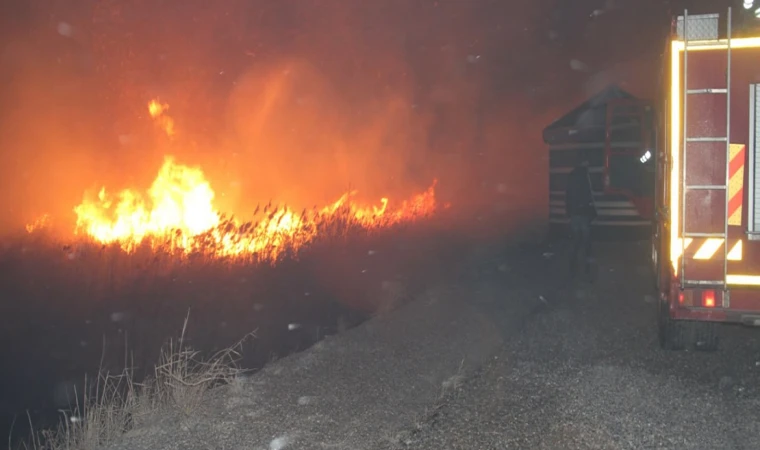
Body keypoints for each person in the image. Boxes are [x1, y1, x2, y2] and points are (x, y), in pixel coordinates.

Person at [565, 155, 598, 280]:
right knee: (586, 240)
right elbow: (589, 195)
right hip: (584, 213)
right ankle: (587, 267)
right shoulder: (585, 176)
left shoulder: (571, 175)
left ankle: (572, 265)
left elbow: (567, 195)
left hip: (574, 212)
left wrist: (568, 212)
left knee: (575, 239)